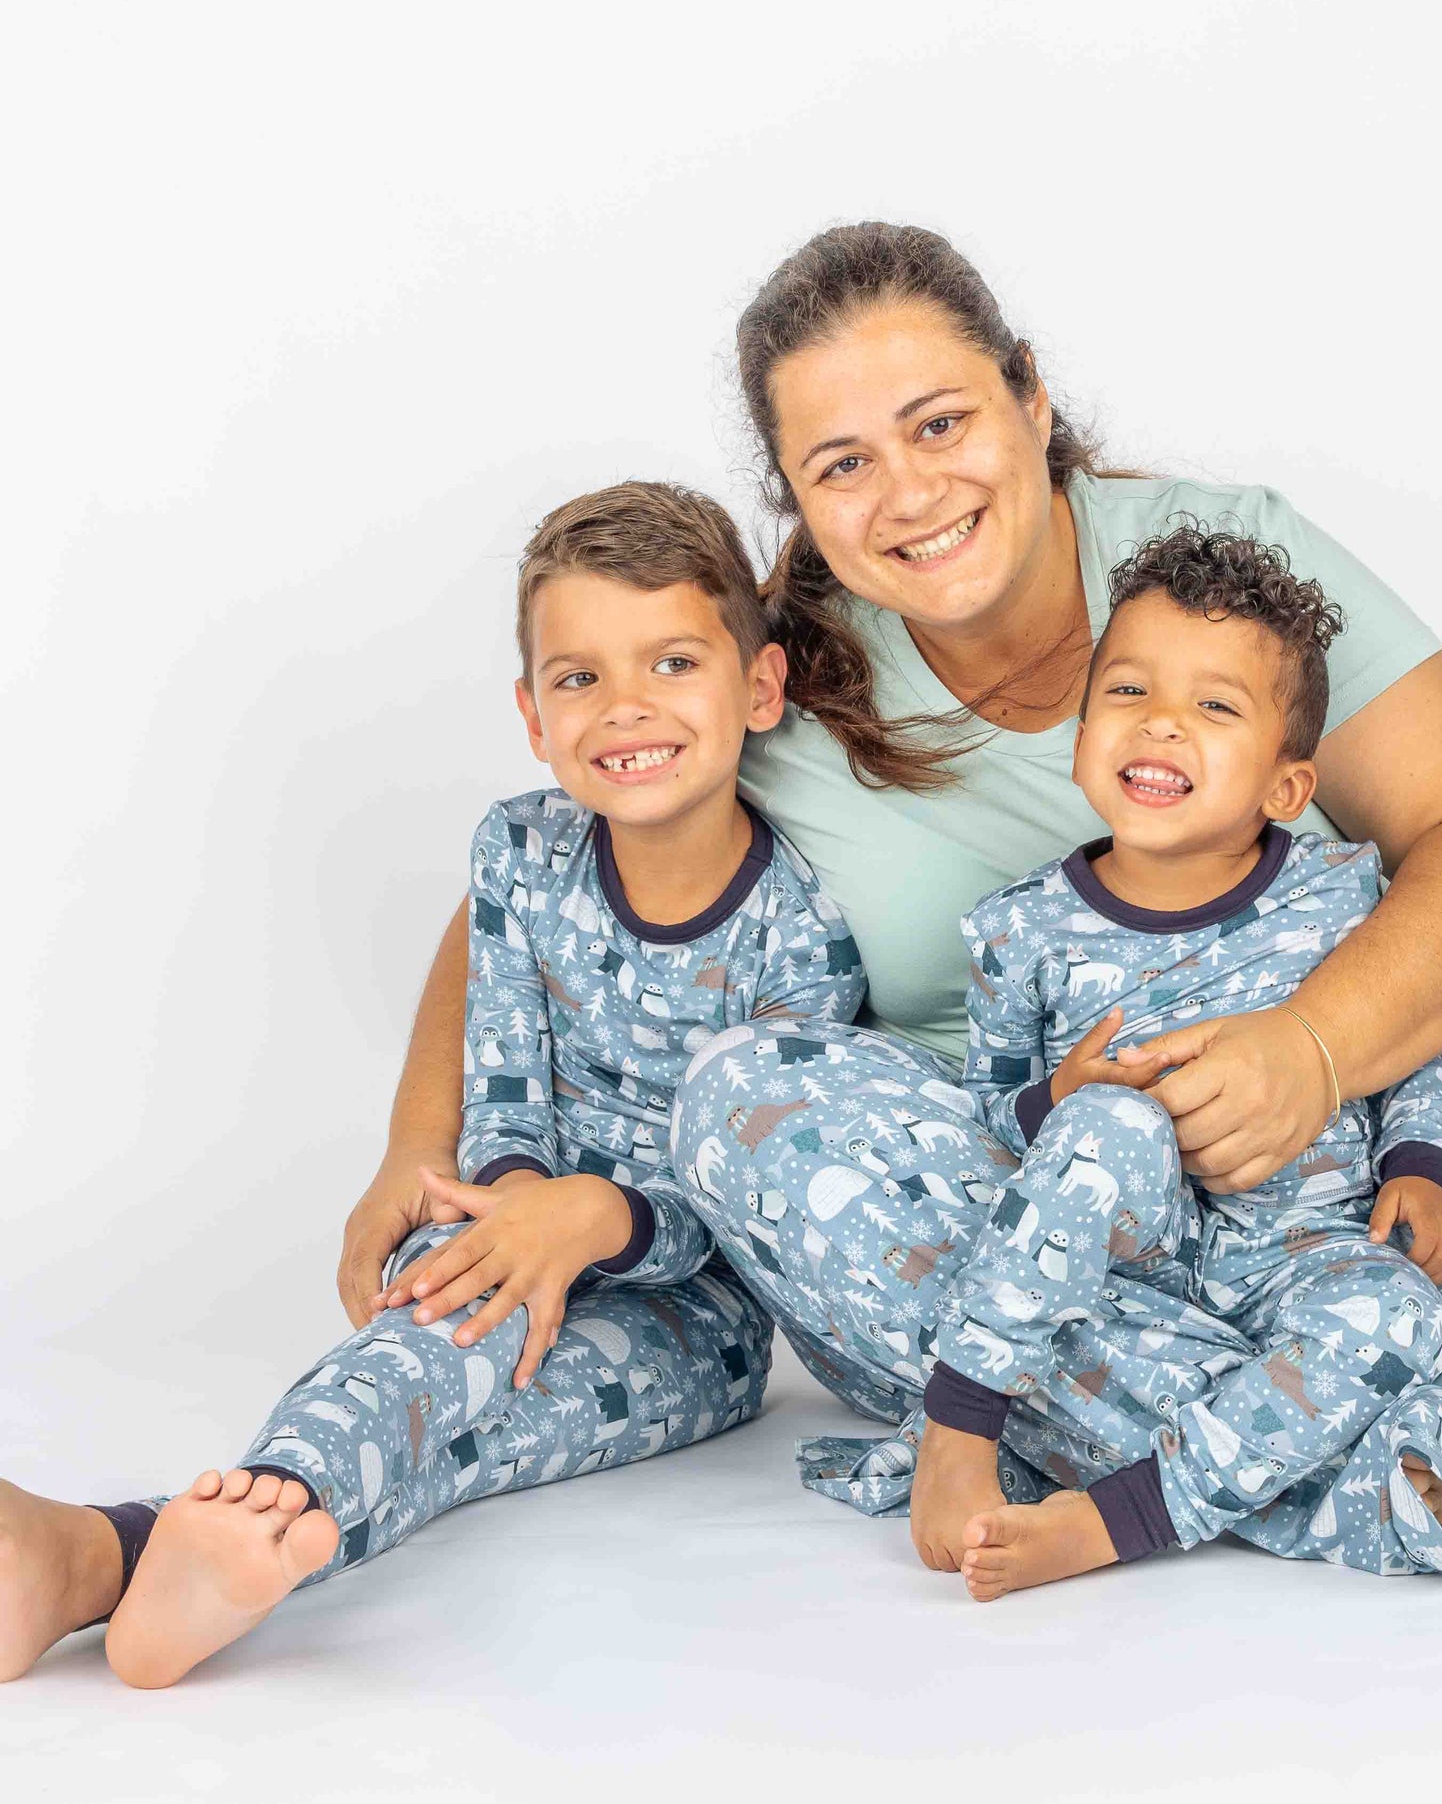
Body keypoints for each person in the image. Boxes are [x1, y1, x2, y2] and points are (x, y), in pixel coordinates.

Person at [337, 218, 1442, 1586]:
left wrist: (1314, 1051)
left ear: (1028, 396)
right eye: (839, 462)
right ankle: (1325, 1424)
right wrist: (422, 1141)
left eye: (939, 422)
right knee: (745, 1103)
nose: (905, 492)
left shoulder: (1226, 572)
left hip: (1315, 1171)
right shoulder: (791, 672)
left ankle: (1107, 1422)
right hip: (996, 1205)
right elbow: (544, 875)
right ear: (795, 497)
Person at [0, 482, 861, 1686]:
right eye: (577, 678)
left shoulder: (803, 935)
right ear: (530, 713)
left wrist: (590, 1220)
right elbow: (502, 1087)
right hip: (506, 1232)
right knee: (451, 1365)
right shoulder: (517, 851)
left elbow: (759, 1191)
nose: (625, 708)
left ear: (759, 686)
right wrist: (509, 1214)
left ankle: (115, 1547)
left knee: (473, 1396)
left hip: (696, 1316)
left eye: (671, 661)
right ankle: (160, 1554)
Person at [905, 521, 1442, 1594]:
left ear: (1286, 787)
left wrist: (1423, 1165)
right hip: (1128, 1263)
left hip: (1303, 1244)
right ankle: (962, 1419)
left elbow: (1401, 1051)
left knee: (1401, 1315)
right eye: (1130, 693)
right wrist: (1057, 1097)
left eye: (1214, 707)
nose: (1161, 726)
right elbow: (991, 1112)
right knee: (1108, 1124)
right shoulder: (1020, 928)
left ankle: (1117, 1515)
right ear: (1079, 737)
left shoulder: (1336, 894)